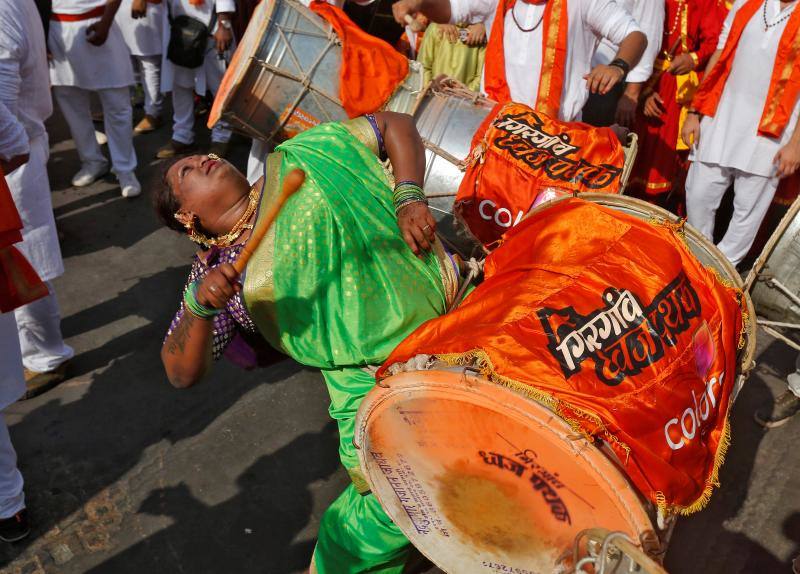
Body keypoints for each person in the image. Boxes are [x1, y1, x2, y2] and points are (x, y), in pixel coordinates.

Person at [156, 112, 459, 572]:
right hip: (372, 384)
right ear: (186, 217)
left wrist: (408, 195)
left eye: (202, 155)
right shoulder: (211, 277)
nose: (204, 158)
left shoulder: (303, 155)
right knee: (393, 511)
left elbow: (393, 123)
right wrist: (200, 306)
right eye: (187, 171)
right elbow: (180, 374)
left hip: (457, 318)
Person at [682, 0, 800, 268]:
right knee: (698, 195)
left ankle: (721, 276)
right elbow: (720, 55)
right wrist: (695, 111)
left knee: (746, 217)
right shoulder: (747, 4)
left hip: (773, 133)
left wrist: (797, 144)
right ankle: (697, 265)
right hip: (720, 118)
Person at [391, 0, 648, 122]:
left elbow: (635, 36)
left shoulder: (585, 2)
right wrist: (420, 3)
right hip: (494, 126)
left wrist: (618, 66)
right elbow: (449, 11)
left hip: (555, 137)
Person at [1, 0, 75, 397]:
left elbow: (0, 104)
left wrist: (8, 149)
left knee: (24, 258)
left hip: (14, 152)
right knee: (25, 252)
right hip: (19, 144)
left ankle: (46, 355)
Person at [626, 0, 726, 208]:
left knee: (665, 162)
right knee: (631, 155)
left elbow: (715, 42)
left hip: (676, 87)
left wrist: (693, 58)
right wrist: (643, 91)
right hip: (640, 76)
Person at [49, 0, 142, 197]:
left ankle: (125, 169)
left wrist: (106, 22)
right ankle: (92, 161)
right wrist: (39, 37)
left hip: (98, 24)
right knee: (72, 106)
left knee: (117, 106)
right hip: (57, 33)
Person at [156, 0, 236, 159]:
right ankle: (182, 136)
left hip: (211, 29)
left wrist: (224, 25)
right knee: (180, 84)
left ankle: (221, 137)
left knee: (220, 88)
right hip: (178, 28)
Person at [582, 0, 664, 128]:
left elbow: (649, 32)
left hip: (607, 82)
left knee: (592, 142)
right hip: (573, 73)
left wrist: (631, 93)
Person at [117, 0, 167, 134]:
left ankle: (153, 113)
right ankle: (121, 108)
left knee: (148, 62)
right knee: (124, 62)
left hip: (145, 6)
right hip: (118, 10)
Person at [417, 20, 487, 91]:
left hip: (463, 98)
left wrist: (464, 94)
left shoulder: (479, 34)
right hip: (435, 97)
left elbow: (481, 76)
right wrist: (431, 91)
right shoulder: (435, 28)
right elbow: (422, 66)